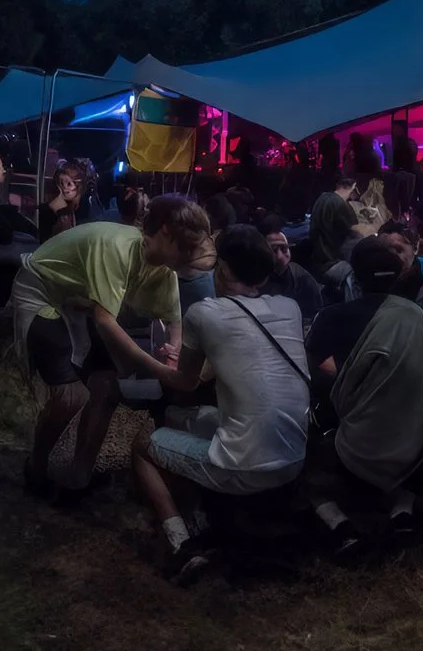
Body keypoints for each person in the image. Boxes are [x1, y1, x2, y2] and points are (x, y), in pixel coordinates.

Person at [8, 194, 213, 501]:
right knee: (72, 396)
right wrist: (158, 369)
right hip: (44, 292)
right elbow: (105, 321)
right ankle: (36, 466)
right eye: (185, 248)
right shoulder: (115, 247)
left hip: (82, 302)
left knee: (106, 387)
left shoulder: (164, 265)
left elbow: (174, 322)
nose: (188, 258)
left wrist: (173, 354)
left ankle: (79, 477)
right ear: (166, 232)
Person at [131, 225, 313, 570]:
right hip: (294, 457)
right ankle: (203, 515)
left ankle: (180, 542)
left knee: (142, 444)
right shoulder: (289, 307)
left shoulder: (204, 313)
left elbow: (184, 382)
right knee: (177, 419)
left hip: (243, 466)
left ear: (225, 270)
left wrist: (145, 359)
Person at [308, 239, 423, 550]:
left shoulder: (333, 316)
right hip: (415, 438)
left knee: (308, 458)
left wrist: (349, 388)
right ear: (399, 275)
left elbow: (312, 371)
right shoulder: (416, 315)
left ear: (354, 278)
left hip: (357, 440)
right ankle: (402, 511)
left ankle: (338, 524)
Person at [349, 219, 423, 339]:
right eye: (385, 251)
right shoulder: (369, 272)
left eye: (399, 250)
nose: (393, 257)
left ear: (415, 249)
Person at [261, 215, 327, 322]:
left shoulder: (301, 277)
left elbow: (314, 316)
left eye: (283, 249)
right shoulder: (254, 279)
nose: (279, 257)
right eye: (273, 250)